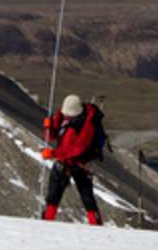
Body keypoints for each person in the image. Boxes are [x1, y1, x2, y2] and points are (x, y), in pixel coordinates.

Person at [41, 94, 104, 225]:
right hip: (64, 161)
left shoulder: (87, 126)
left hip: (80, 163)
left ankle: (96, 225)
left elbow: (76, 149)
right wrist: (48, 127)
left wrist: (53, 153)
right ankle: (46, 222)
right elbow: (51, 136)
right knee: (53, 195)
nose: (67, 116)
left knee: (87, 198)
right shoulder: (61, 116)